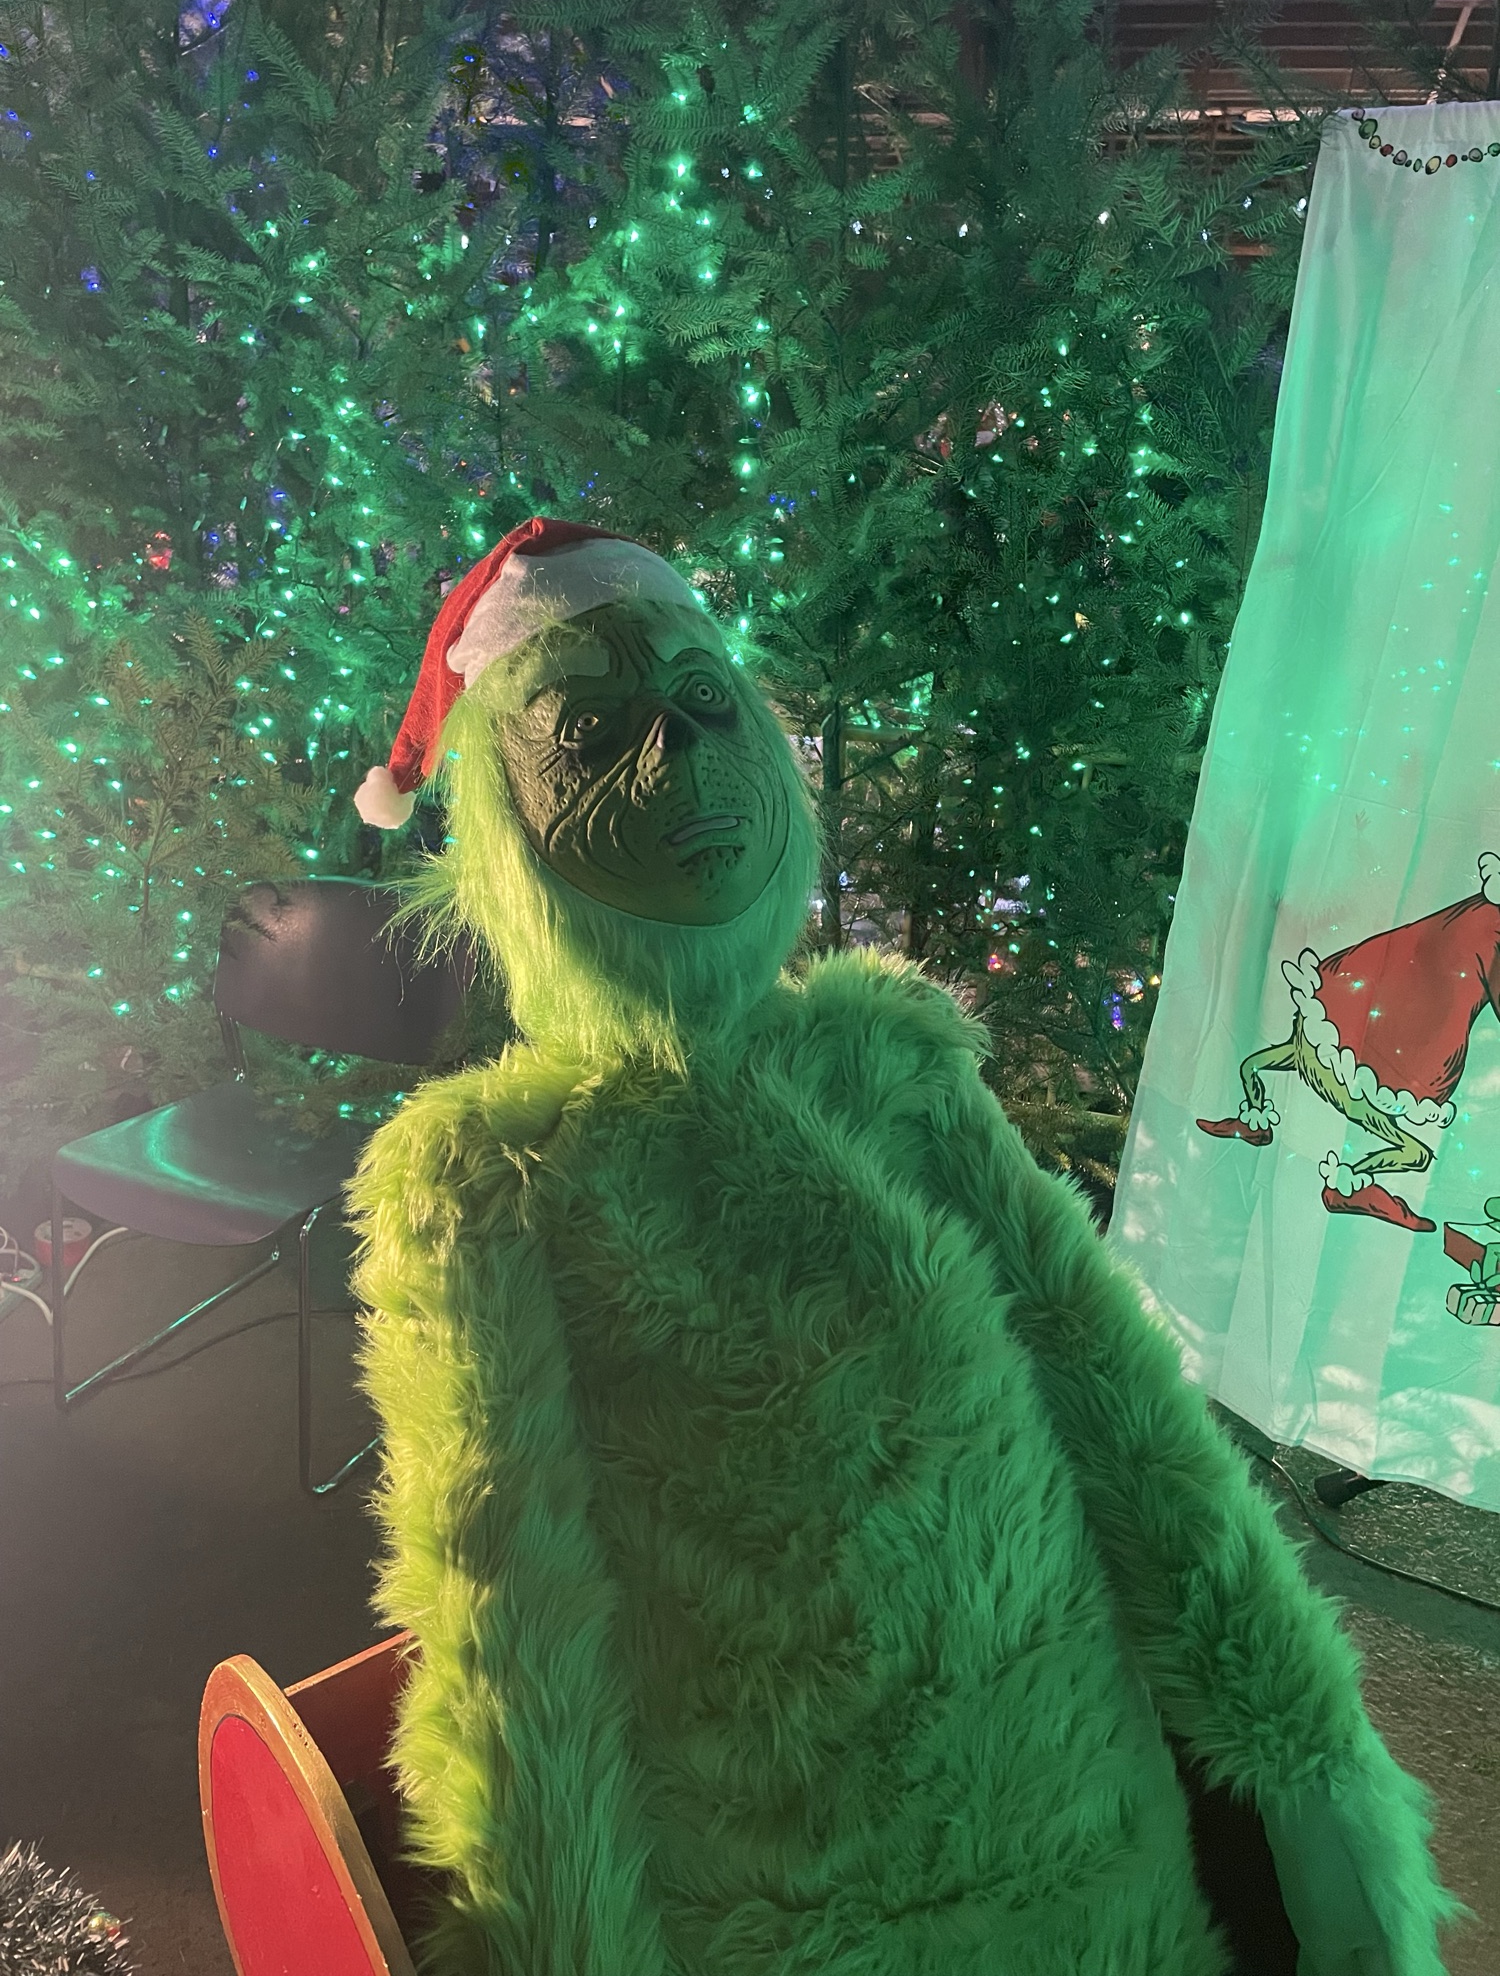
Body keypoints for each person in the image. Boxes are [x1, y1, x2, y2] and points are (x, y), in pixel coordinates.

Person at [349, 517, 1458, 1976]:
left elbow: (1121, 1406)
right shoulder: (487, 1178)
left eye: (705, 702)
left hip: (1079, 1840)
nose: (675, 756)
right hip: (776, 1898)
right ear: (504, 823)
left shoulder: (894, 1060)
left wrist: (1313, 1766)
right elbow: (506, 1618)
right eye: (590, 733)